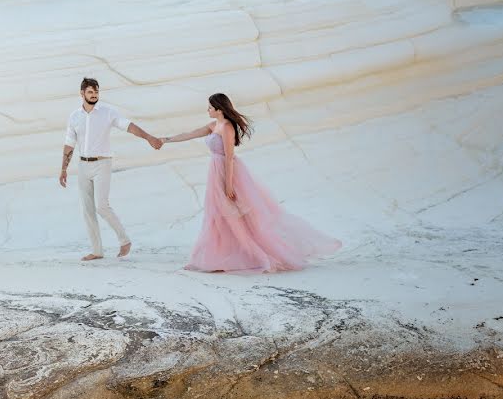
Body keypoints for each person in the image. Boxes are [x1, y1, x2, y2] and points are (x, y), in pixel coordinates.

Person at [162, 93, 341, 272]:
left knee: (238, 214)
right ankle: (218, 257)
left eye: (210, 107)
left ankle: (254, 253)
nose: (207, 110)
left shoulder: (226, 127)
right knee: (218, 215)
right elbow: (190, 134)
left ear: (219, 109)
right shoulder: (214, 125)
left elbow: (230, 157)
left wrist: (229, 184)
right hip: (215, 172)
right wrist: (166, 140)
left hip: (228, 172)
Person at [60, 78, 163, 261]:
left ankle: (124, 240)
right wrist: (63, 169)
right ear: (82, 93)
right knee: (88, 209)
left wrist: (148, 137)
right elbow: (69, 143)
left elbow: (128, 126)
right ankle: (97, 250)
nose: (94, 95)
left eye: (96, 92)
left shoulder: (107, 112)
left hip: (102, 163)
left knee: (102, 205)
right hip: (82, 165)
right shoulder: (74, 116)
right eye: (90, 92)